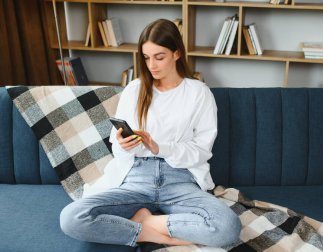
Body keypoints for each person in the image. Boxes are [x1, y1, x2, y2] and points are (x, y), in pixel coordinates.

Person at [60, 19, 241, 248]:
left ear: (176, 53)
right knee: (71, 218)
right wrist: (123, 144)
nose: (151, 65)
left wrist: (159, 147)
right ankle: (149, 232)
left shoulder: (198, 93)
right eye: (146, 58)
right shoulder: (134, 89)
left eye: (159, 57)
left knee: (228, 227)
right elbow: (117, 149)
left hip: (180, 179)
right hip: (136, 177)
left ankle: (149, 221)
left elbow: (202, 150)